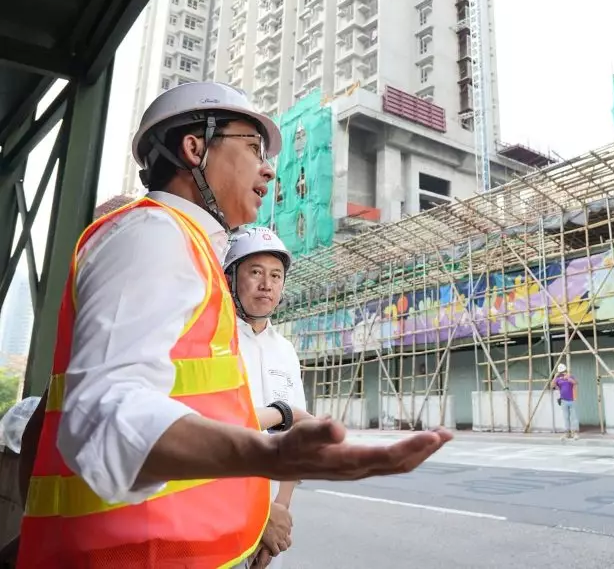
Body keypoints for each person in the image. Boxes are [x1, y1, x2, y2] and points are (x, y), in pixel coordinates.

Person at [16, 82, 452, 567]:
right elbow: (103, 416)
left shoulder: (193, 254)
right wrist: (266, 454)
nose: (268, 168)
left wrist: (274, 459)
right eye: (252, 148)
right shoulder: (153, 233)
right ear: (194, 148)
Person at [223, 227, 307, 568]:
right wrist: (260, 515)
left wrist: (279, 513)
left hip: (270, 533)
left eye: (276, 275)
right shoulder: (213, 339)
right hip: (222, 522)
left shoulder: (286, 350)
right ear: (230, 278)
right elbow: (213, 432)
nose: (266, 285)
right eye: (255, 272)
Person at [551, 363, 579, 440]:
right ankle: (567, 433)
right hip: (563, 401)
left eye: (563, 372)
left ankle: (575, 433)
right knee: (566, 417)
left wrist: (568, 378)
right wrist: (555, 377)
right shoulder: (558, 379)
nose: (562, 373)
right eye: (561, 372)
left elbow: (576, 383)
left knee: (574, 418)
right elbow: (552, 386)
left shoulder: (570, 376)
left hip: (572, 400)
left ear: (566, 371)